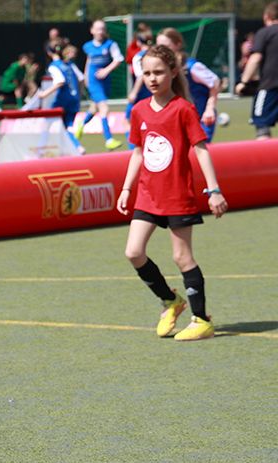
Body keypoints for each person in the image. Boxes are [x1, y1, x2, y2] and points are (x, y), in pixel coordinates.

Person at [117, 45, 228, 341]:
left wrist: (213, 190)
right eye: (147, 73)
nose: (152, 78)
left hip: (177, 196)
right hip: (147, 195)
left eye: (159, 72)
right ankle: (170, 301)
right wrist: (127, 188)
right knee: (133, 252)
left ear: (173, 72)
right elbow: (139, 152)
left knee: (182, 257)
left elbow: (201, 150)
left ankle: (202, 320)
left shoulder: (183, 109)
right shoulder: (139, 110)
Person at [156, 28, 220, 142]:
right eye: (159, 46)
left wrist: (210, 108)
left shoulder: (191, 67)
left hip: (200, 119)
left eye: (166, 46)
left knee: (198, 155)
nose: (162, 51)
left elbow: (215, 82)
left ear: (178, 44)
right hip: (178, 120)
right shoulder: (163, 70)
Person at [76, 20, 124, 150]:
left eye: (102, 29)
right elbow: (89, 61)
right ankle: (109, 139)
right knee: (104, 108)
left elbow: (118, 59)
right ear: (92, 31)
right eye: (97, 29)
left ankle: (81, 124)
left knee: (94, 108)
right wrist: (86, 77)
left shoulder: (110, 44)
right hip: (93, 81)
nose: (100, 32)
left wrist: (106, 70)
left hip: (105, 81)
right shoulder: (87, 46)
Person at [236, 2, 278, 140]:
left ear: (267, 16)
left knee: (262, 126)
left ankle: (267, 161)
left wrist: (243, 81)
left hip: (270, 86)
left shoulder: (265, 32)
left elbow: (255, 58)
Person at [37, 44, 85, 154]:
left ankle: (40, 150)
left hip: (62, 100)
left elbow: (60, 81)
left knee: (47, 124)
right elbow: (81, 78)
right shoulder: (70, 64)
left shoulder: (53, 66)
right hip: (74, 99)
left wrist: (44, 94)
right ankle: (77, 147)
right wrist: (79, 94)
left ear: (49, 53)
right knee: (68, 125)